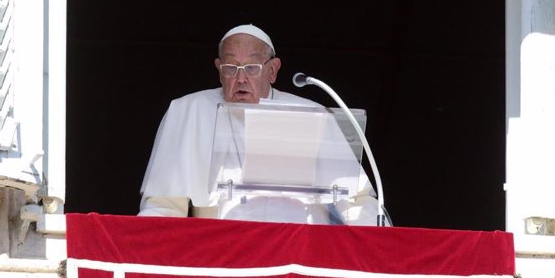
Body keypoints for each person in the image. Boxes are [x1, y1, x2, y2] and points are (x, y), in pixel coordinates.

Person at [138, 24, 379, 225]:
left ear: (272, 71)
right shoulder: (189, 110)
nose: (241, 78)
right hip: (224, 253)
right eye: (231, 68)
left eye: (252, 68)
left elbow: (357, 202)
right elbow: (164, 207)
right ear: (219, 70)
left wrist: (381, 245)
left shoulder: (311, 115)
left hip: (298, 253)